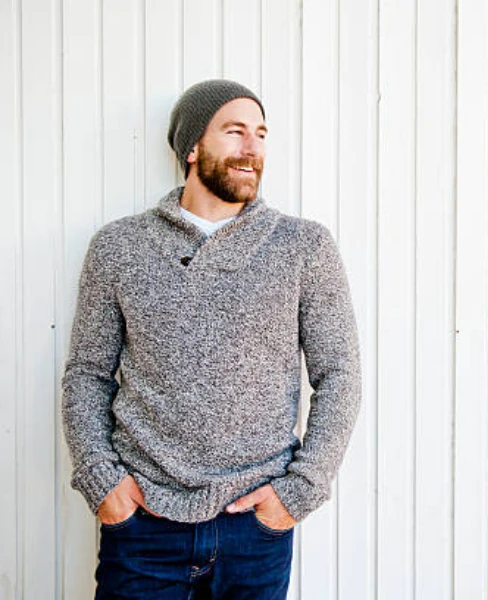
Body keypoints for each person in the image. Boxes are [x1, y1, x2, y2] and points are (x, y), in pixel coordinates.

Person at [62, 79, 361, 599]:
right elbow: (87, 374)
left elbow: (340, 374)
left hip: (255, 528)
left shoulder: (303, 246)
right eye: (235, 131)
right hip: (142, 527)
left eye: (261, 134)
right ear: (192, 148)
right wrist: (101, 481)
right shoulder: (118, 247)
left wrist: (299, 491)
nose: (253, 148)